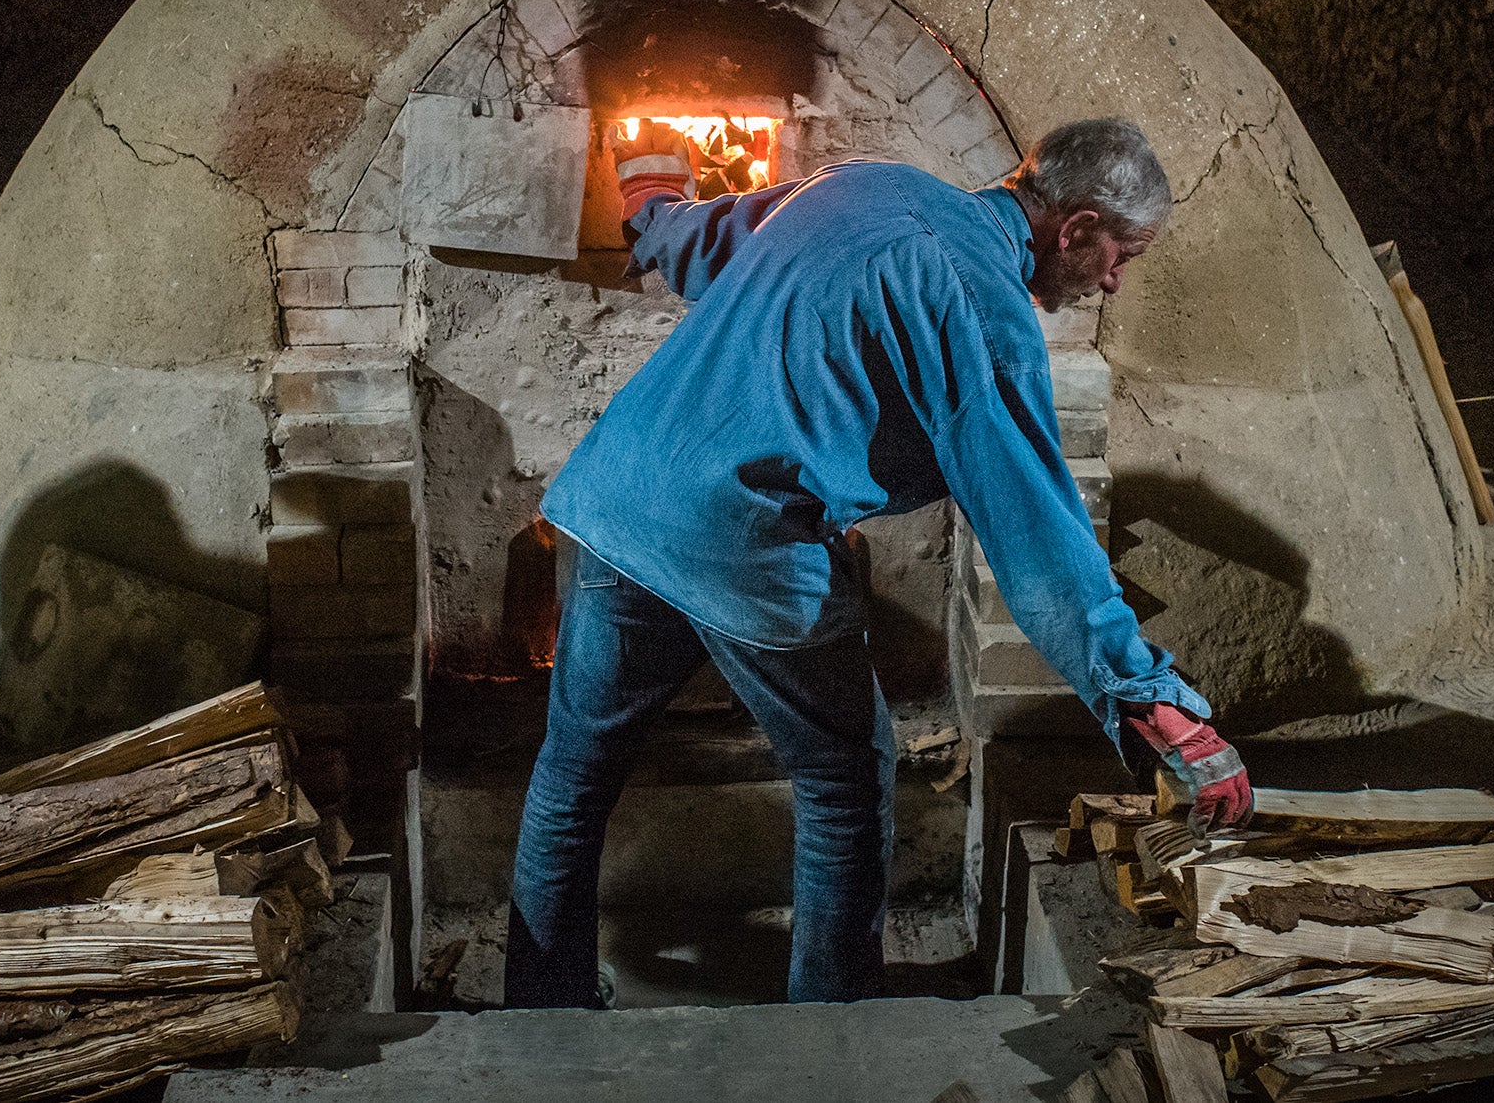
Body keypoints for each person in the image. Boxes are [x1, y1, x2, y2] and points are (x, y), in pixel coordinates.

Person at [504, 120, 1248, 1007]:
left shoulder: (863, 185)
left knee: (574, 774)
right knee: (845, 779)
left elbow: (707, 246)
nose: (1116, 278)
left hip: (616, 496)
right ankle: (830, 1028)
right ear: (1078, 228)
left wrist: (650, 207)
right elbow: (1035, 528)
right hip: (745, 538)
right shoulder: (983, 303)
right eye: (1123, 253)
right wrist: (1145, 695)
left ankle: (541, 1012)